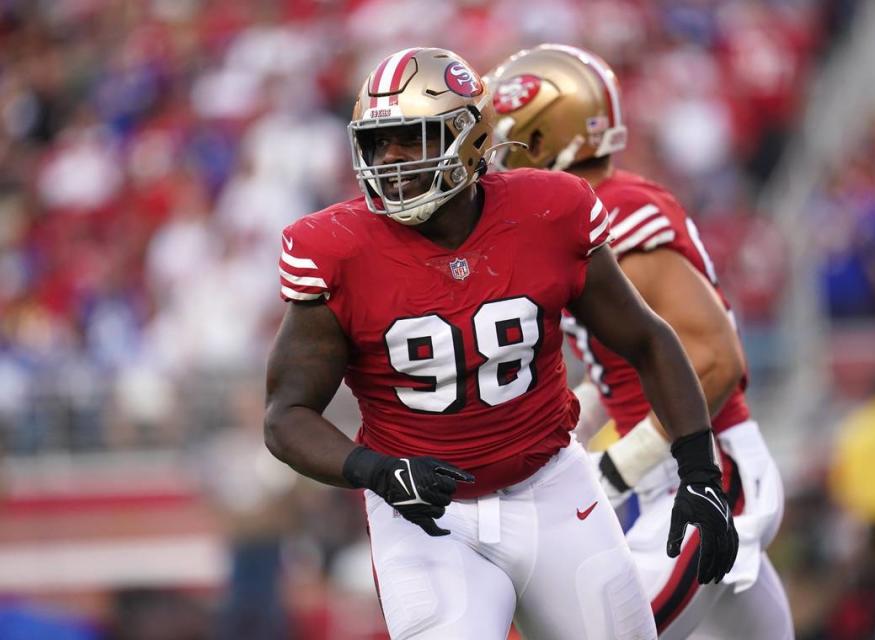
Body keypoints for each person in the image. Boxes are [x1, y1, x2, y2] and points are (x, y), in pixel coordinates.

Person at [264, 47, 738, 640]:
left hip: (552, 487)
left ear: (470, 137)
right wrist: (378, 471)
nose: (389, 159)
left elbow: (646, 340)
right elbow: (286, 416)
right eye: (377, 142)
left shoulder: (549, 211)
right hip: (426, 517)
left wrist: (699, 470)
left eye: (411, 138)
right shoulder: (334, 248)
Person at [488, 44, 793, 640]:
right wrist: (568, 437)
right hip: (674, 472)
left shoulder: (619, 215)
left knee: (609, 632)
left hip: (706, 470)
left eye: (510, 142)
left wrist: (621, 465)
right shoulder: (583, 214)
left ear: (547, 138)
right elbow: (617, 365)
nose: (497, 164)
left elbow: (715, 358)